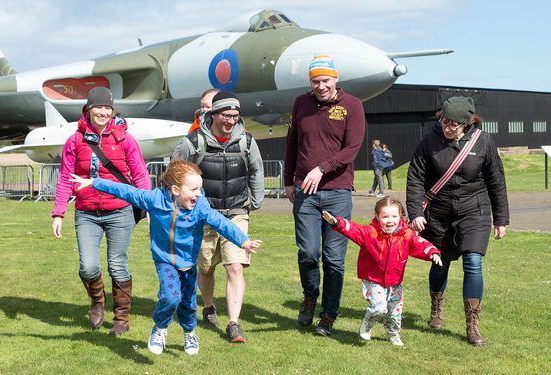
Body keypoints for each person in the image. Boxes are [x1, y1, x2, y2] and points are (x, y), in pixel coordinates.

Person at [69, 160, 262, 356]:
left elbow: (221, 223)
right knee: (171, 297)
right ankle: (160, 328)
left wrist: (243, 241)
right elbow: (126, 191)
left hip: (187, 262)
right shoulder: (155, 199)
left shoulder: (200, 206)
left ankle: (189, 332)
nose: (198, 193)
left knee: (187, 303)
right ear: (176, 189)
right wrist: (95, 182)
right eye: (194, 189)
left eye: (200, 189)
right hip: (164, 260)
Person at [406, 96, 509, 346]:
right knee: (440, 263)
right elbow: (416, 178)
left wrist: (501, 218)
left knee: (473, 263)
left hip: (475, 211)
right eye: (444, 122)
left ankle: (472, 326)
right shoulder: (429, 141)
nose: (447, 128)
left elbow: (496, 181)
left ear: (467, 122)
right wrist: (416, 213)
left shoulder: (484, 142)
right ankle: (436, 308)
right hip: (439, 213)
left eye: (453, 124)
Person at [51, 86, 151, 336]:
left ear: (113, 111)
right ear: (89, 109)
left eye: (108, 108)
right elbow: (65, 177)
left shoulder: (125, 139)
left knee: (117, 265)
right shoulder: (75, 141)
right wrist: (58, 212)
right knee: (87, 267)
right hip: (86, 213)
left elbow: (139, 173)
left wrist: (147, 204)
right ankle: (97, 302)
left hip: (120, 212)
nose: (103, 112)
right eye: (99, 107)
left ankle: (121, 319)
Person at [172, 90, 265, 343]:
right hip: (203, 215)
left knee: (235, 267)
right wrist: (179, 204)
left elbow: (256, 169)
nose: (231, 120)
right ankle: (209, 306)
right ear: (213, 114)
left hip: (236, 212)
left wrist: (255, 200)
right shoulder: (193, 142)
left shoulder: (246, 141)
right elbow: (175, 172)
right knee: (205, 267)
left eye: (235, 116)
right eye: (226, 115)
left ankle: (234, 323)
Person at [284, 55, 365, 337]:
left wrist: (322, 168)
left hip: (338, 192)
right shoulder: (301, 104)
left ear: (336, 79)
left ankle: (328, 315)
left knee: (333, 258)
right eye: (315, 81)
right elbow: (292, 143)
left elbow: (352, 148)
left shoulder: (352, 105)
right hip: (305, 194)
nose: (321, 86)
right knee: (308, 252)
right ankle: (309, 297)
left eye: (325, 81)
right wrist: (288, 181)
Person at [322, 196, 442, 347]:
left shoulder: (406, 235)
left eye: (394, 216)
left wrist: (433, 252)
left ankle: (393, 334)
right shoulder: (370, 233)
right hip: (374, 280)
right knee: (379, 308)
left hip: (395, 283)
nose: (390, 220)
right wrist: (336, 222)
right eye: (385, 216)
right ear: (377, 217)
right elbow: (353, 229)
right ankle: (367, 324)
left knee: (394, 313)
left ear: (401, 217)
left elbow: (420, 244)